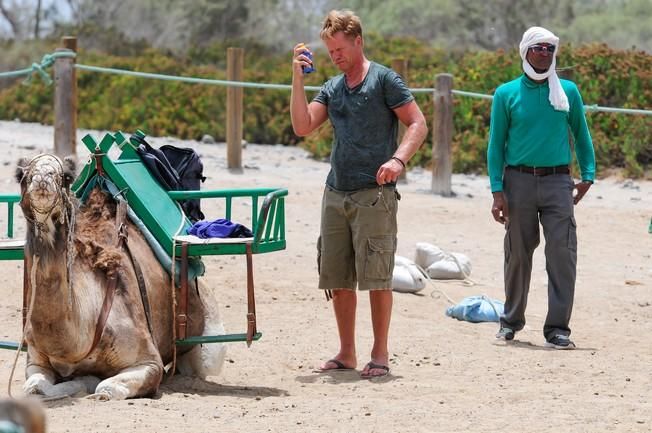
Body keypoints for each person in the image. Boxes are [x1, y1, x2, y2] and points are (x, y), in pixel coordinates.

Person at [290, 10, 428, 377]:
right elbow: (303, 126)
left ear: (358, 41)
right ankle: (346, 352)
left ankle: (380, 353)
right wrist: (297, 79)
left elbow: (418, 122)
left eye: (341, 48)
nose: (336, 56)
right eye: (330, 51)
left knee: (377, 275)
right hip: (336, 192)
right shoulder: (332, 88)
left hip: (375, 194)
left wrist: (398, 160)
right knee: (337, 275)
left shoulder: (385, 80)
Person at [487, 26, 596, 349]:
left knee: (562, 253)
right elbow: (496, 146)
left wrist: (588, 175)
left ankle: (558, 329)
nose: (545, 53)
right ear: (525, 52)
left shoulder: (568, 92)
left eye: (550, 48)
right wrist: (497, 191)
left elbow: (581, 133)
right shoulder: (506, 94)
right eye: (538, 48)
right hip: (517, 182)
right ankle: (510, 322)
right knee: (518, 253)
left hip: (559, 182)